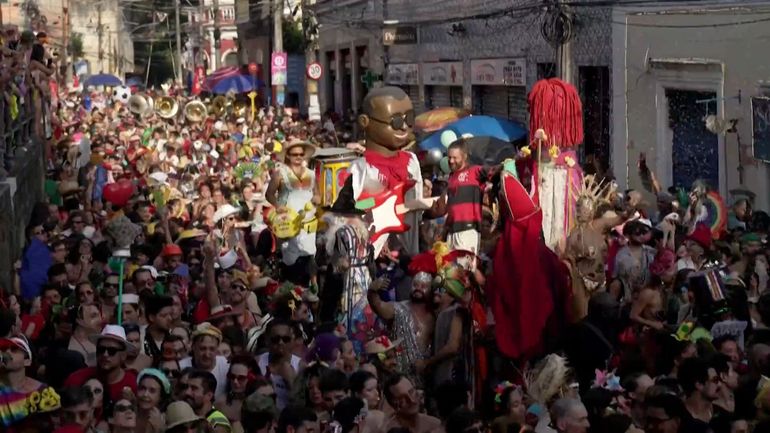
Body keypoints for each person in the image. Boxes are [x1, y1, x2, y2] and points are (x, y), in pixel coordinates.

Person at [437, 139, 489, 255]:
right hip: (451, 232)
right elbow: (451, 207)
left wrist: (513, 161)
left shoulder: (475, 171)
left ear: (464, 156)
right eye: (449, 157)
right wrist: (445, 231)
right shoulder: (451, 177)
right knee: (449, 266)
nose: (451, 161)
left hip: (468, 231)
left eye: (455, 158)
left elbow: (493, 171)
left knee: (464, 266)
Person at [64, 325, 138, 403]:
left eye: (111, 351)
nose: (105, 354)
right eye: (101, 349)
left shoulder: (133, 382)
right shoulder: (76, 379)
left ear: (123, 355)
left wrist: (132, 403)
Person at [257, 319, 304, 411]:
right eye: (275, 339)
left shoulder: (301, 366)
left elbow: (302, 404)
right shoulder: (257, 362)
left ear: (293, 341)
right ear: (267, 340)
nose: (280, 343)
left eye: (286, 339)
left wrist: (291, 382)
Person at [180, 322, 231, 399]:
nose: (207, 354)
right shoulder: (181, 366)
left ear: (217, 348)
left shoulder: (225, 366)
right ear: (193, 347)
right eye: (202, 349)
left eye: (212, 349)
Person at [180, 369, 233, 433]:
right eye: (186, 387)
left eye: (194, 388)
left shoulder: (217, 423)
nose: (187, 392)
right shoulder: (186, 415)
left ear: (209, 395)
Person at [679, 357, 720, 428]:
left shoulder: (720, 415)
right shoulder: (680, 419)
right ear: (699, 385)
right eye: (715, 380)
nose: (720, 385)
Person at [140, 294, 174, 360]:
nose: (170, 318)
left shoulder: (174, 335)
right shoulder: (140, 337)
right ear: (151, 317)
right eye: (164, 315)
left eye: (171, 314)